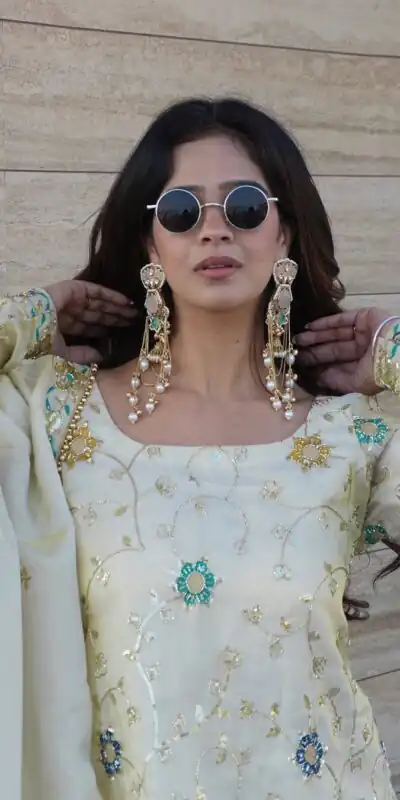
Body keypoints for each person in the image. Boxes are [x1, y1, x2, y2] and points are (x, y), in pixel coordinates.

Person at [1, 97, 399, 800]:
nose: (215, 228)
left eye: (244, 206)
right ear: (150, 243)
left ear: (284, 233)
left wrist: (396, 351)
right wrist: (27, 318)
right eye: (182, 210)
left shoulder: (353, 435)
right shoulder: (57, 419)